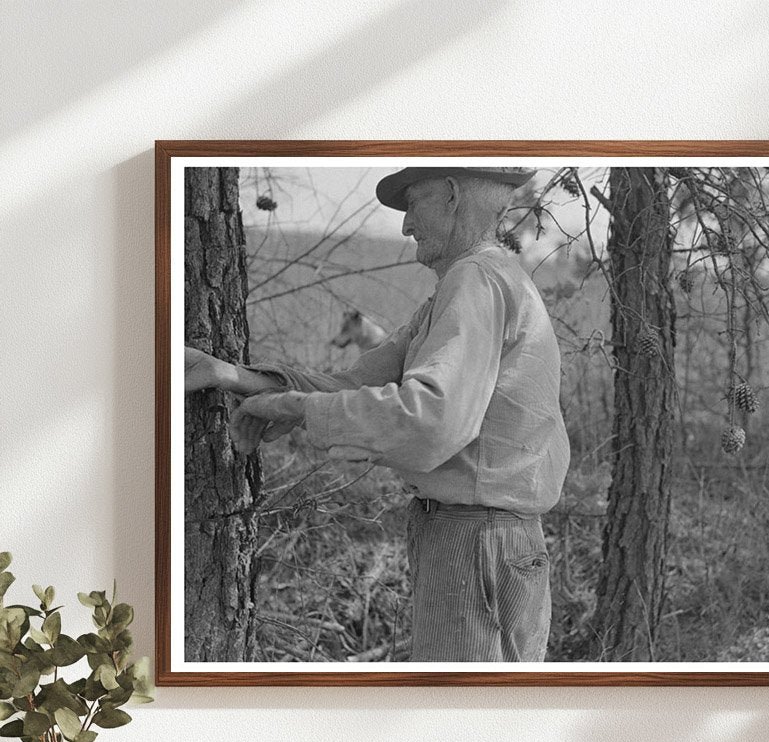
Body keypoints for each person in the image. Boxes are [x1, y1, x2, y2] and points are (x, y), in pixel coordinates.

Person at [185, 166, 570, 663]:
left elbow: (431, 422)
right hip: (481, 537)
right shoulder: (476, 281)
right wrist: (231, 376)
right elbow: (357, 384)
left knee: (460, 726)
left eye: (413, 204)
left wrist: (301, 409)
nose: (407, 225)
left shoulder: (475, 278)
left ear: (452, 196)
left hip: (477, 541)